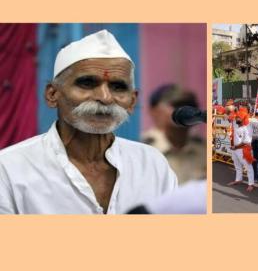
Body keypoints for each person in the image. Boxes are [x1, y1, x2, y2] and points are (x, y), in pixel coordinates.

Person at [0, 30, 178, 214]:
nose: (105, 97)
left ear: (132, 101)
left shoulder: (152, 164)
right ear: (52, 94)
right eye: (87, 83)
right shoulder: (9, 169)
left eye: (118, 87)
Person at [142, 84, 206, 184]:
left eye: (190, 105)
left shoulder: (204, 148)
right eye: (177, 105)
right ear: (154, 110)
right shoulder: (142, 150)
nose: (186, 111)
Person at [228, 109, 255, 192]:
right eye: (236, 117)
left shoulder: (247, 128)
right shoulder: (236, 125)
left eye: (238, 118)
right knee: (237, 165)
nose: (236, 119)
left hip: (243, 150)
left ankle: (251, 184)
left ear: (243, 119)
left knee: (248, 166)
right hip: (235, 149)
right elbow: (229, 117)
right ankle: (238, 179)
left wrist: (235, 147)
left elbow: (246, 142)